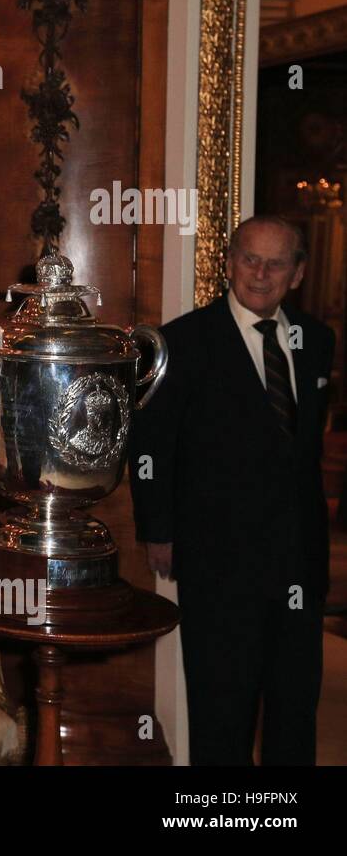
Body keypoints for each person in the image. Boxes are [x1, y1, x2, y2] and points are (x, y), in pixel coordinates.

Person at [129, 215, 333, 765]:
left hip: (298, 563)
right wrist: (159, 531)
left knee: (295, 713)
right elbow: (151, 447)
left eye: (276, 263)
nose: (260, 274)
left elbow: (303, 453)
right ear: (228, 263)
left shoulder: (316, 342)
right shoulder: (182, 342)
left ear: (297, 273)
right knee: (223, 713)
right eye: (249, 258)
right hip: (219, 561)